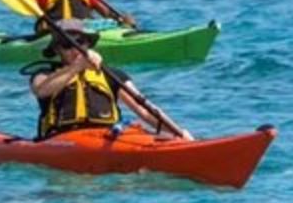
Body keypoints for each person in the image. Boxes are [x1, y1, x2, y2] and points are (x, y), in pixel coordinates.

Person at [30, 19, 192, 140]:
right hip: (63, 138)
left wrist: (177, 132)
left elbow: (144, 109)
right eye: (67, 45)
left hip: (108, 137)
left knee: (167, 136)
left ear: (87, 44)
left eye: (79, 42)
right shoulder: (44, 74)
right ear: (58, 49)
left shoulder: (111, 74)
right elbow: (41, 91)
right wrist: (76, 67)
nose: (74, 49)